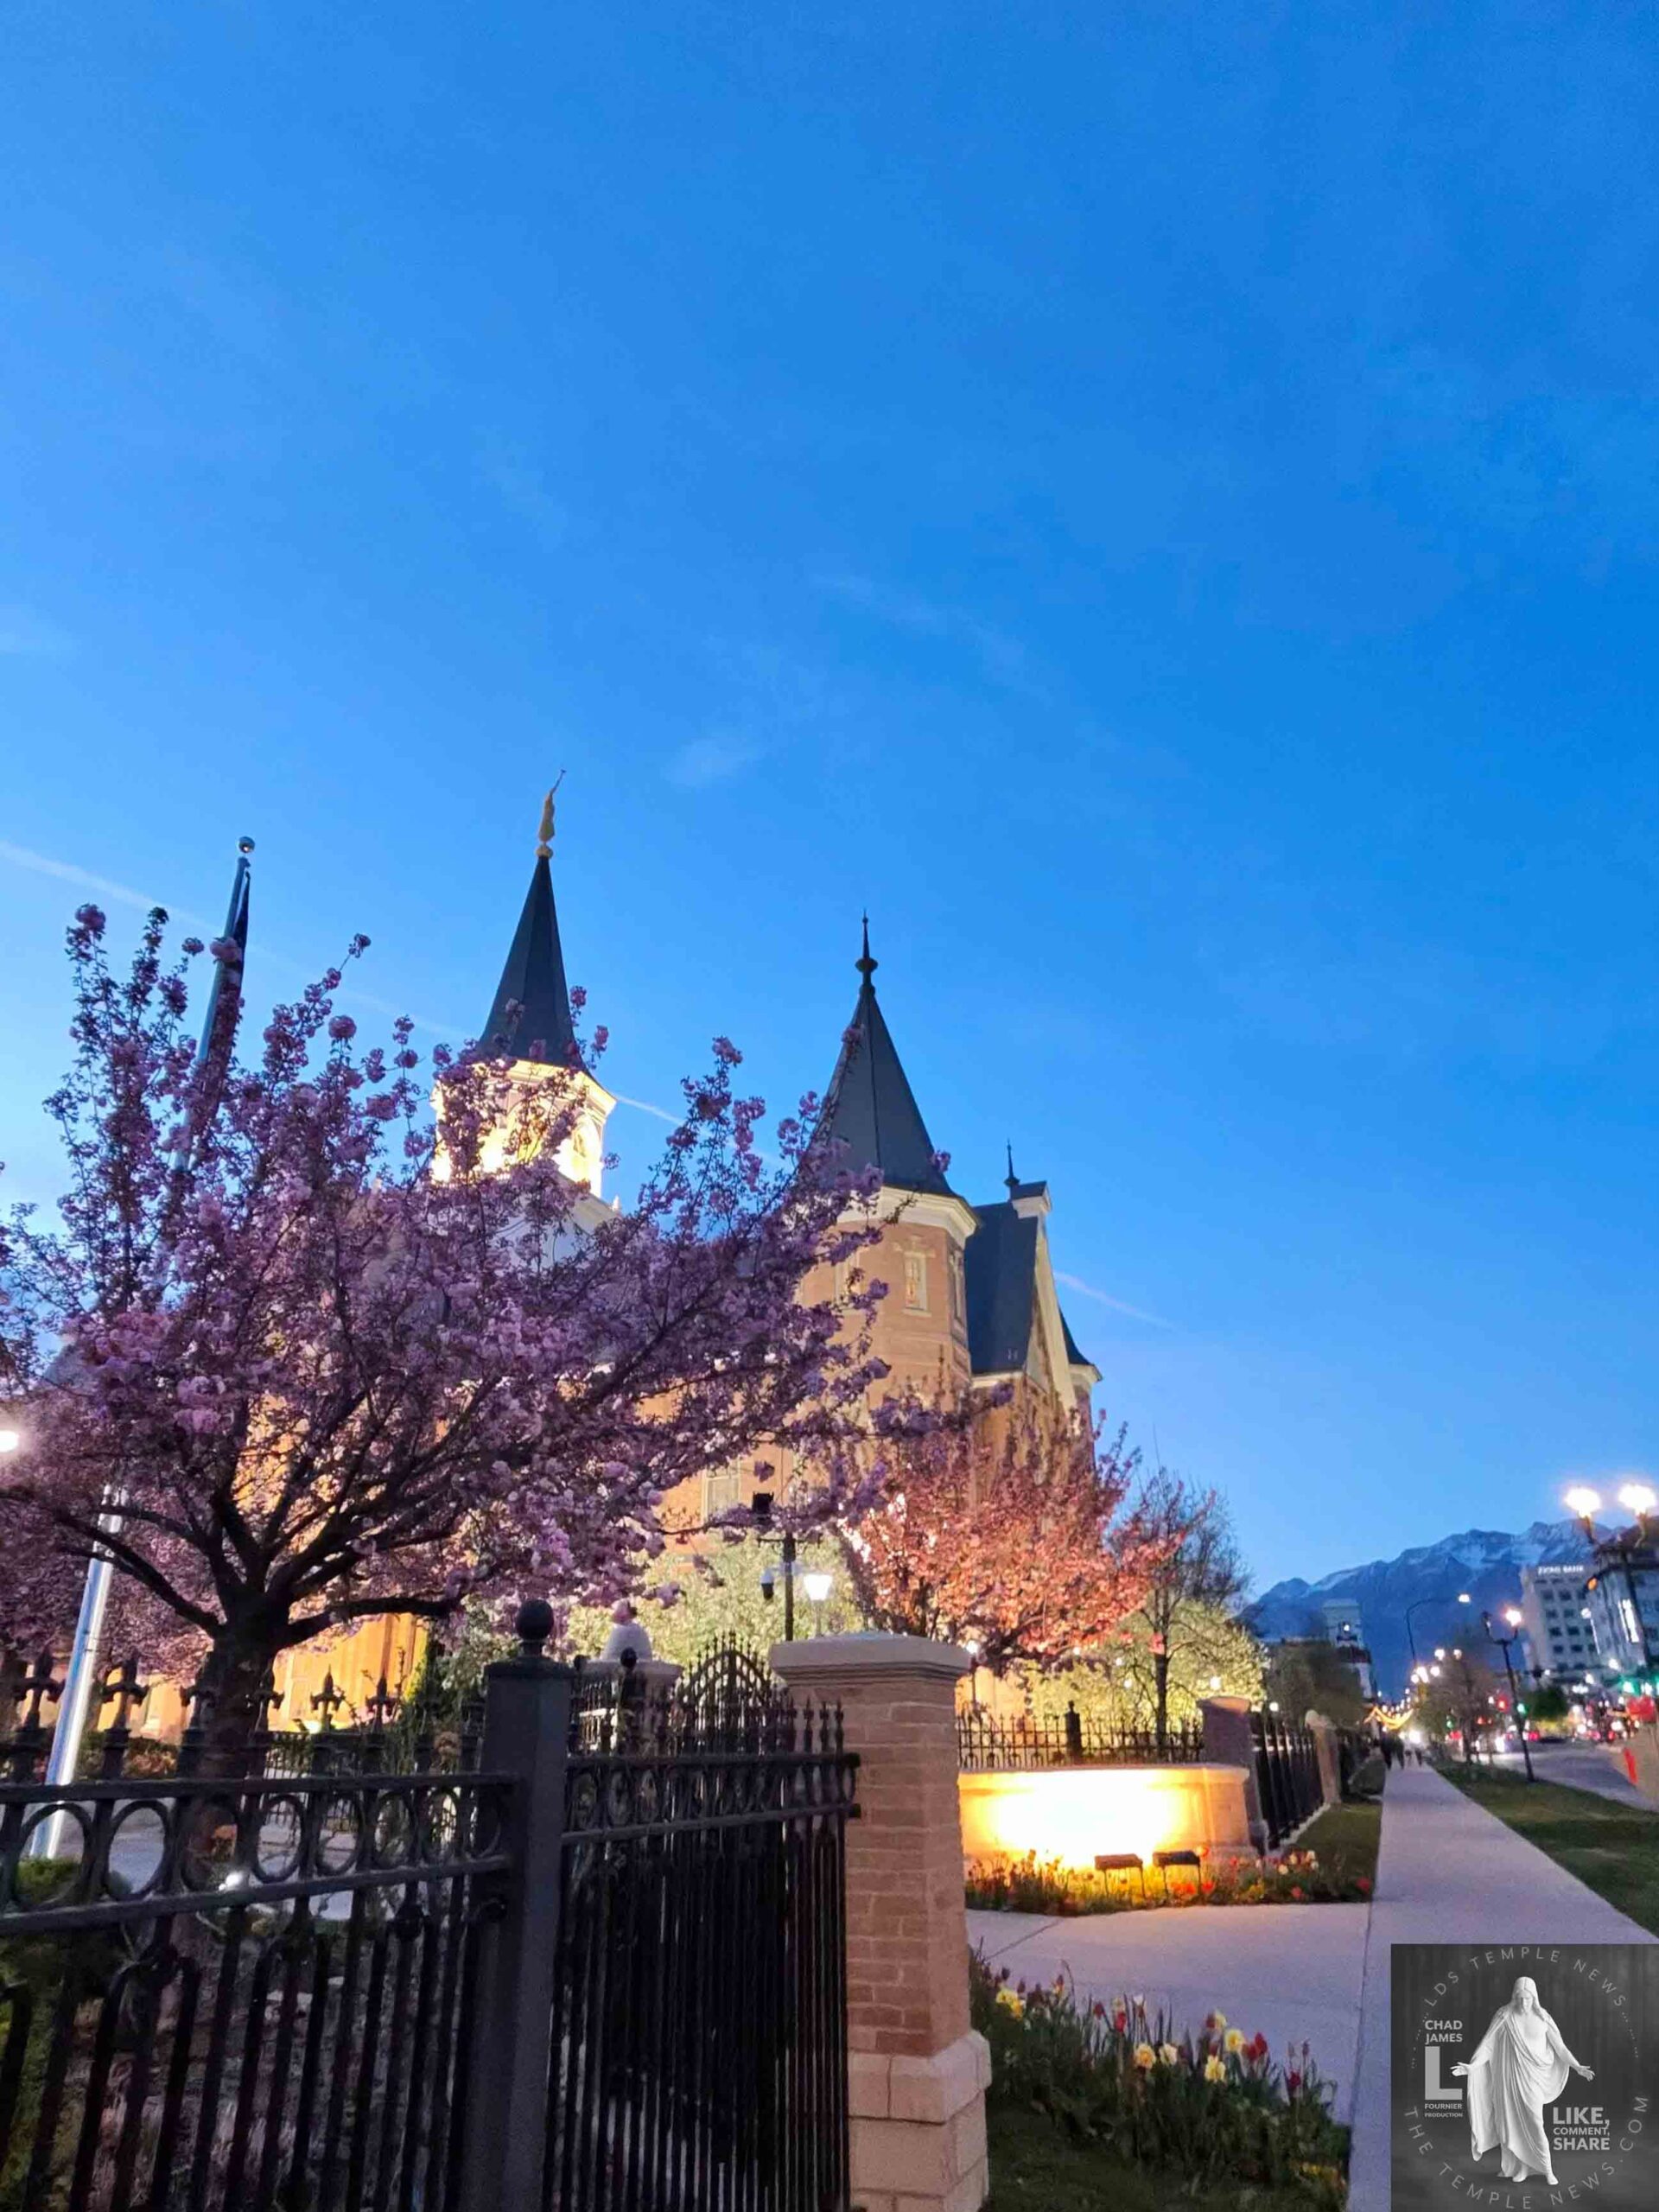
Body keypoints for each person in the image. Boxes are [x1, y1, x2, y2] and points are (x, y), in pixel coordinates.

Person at [1452, 1975, 1593, 2186]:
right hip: (1509, 2080)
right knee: (1512, 2124)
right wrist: (1472, 2067)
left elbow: (1560, 2047)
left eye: (1527, 1998)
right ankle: (1522, 2168)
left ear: (1534, 1998)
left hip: (1533, 2080)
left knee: (1536, 2123)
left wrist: (1577, 2066)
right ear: (1514, 1997)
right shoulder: (1504, 2016)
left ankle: (1547, 2169)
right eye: (1519, 1998)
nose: (1523, 2003)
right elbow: (1488, 2046)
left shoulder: (1543, 2018)